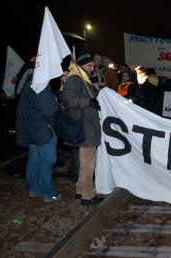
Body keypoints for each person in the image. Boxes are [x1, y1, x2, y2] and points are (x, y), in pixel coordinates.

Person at [60, 53, 103, 206]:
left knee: (86, 160)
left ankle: (80, 190)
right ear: (83, 65)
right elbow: (67, 98)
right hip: (85, 127)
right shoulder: (75, 78)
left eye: (94, 66)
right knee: (88, 162)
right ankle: (88, 195)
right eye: (90, 65)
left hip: (88, 125)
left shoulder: (83, 79)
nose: (93, 68)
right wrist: (88, 101)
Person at [16, 73, 62, 202]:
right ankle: (48, 193)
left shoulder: (30, 83)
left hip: (33, 130)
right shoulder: (41, 86)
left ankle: (34, 189)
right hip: (43, 131)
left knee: (34, 160)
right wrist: (56, 124)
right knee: (48, 161)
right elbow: (50, 112)